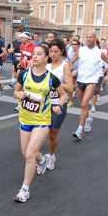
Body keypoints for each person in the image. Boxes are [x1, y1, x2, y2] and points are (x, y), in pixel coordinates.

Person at [13, 45, 66, 202]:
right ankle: (42, 161)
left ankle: (25, 189)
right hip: (25, 118)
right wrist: (19, 95)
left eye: (39, 54)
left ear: (46, 58)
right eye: (33, 54)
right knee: (26, 152)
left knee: (30, 154)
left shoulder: (51, 78)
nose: (34, 57)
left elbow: (63, 95)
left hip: (42, 120)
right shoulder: (24, 74)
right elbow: (16, 91)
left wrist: (59, 106)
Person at [70, 30, 108, 139]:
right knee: (82, 105)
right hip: (80, 80)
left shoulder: (99, 52)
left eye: (90, 37)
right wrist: (72, 70)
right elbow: (71, 62)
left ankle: (79, 129)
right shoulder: (81, 50)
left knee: (84, 104)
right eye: (87, 37)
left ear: (95, 39)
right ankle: (88, 118)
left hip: (92, 80)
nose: (88, 39)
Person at [41, 39, 73, 168]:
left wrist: (56, 84)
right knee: (40, 131)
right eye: (51, 51)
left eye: (56, 51)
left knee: (52, 133)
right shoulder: (45, 64)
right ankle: (39, 159)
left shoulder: (64, 67)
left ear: (61, 51)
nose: (53, 54)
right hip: (44, 104)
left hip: (58, 104)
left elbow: (70, 88)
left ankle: (51, 155)